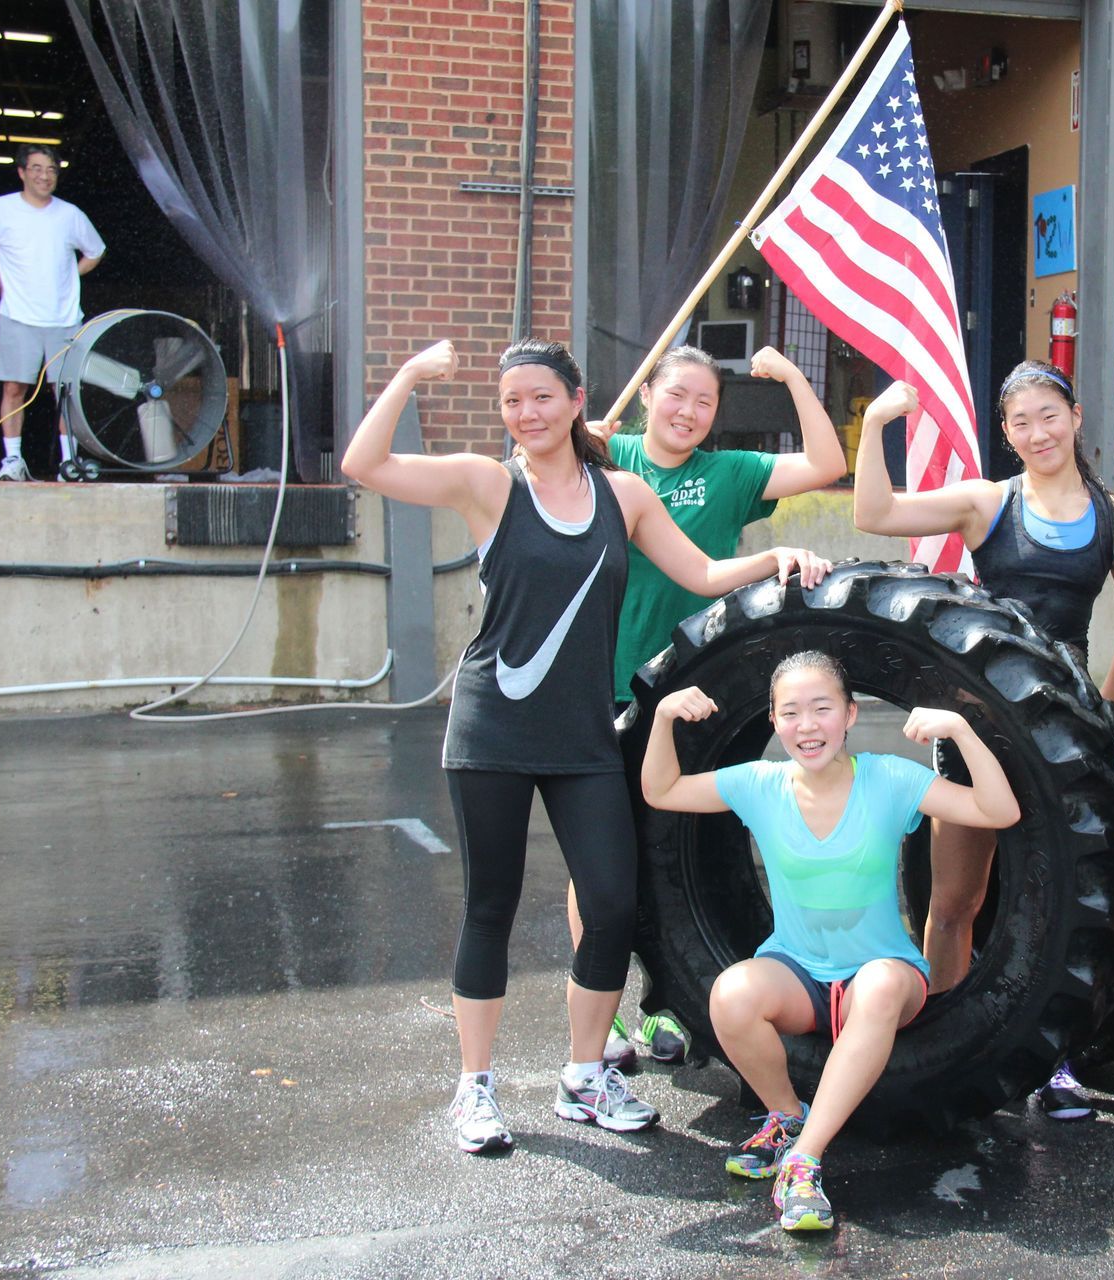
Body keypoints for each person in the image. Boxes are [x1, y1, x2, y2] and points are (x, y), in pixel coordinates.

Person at [339, 337, 830, 1156]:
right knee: (488, 908)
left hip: (583, 735)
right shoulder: (487, 483)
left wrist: (776, 558)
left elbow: (705, 572)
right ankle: (476, 1088)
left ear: (576, 402)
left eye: (541, 397)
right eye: (511, 402)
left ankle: (582, 1075)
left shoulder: (625, 493)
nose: (525, 414)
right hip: (492, 727)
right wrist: (409, 375)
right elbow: (364, 462)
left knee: (610, 905)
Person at [850, 361, 1114, 1120]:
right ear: (1007, 433)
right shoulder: (988, 503)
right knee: (957, 899)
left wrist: (1102, 707)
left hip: (1068, 753)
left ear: (1076, 417)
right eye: (1020, 422)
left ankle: (1054, 1063)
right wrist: (879, 424)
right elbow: (875, 513)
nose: (1037, 433)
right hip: (980, 733)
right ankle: (946, 1035)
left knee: (1063, 908)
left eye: (1049, 416)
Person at [639, 650, 1019, 1232]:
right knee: (731, 995)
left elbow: (999, 809)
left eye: (822, 709)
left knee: (879, 984)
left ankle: (804, 1160)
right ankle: (788, 1119)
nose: (807, 726)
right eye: (791, 712)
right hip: (800, 973)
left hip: (884, 973)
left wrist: (961, 729)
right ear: (772, 720)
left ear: (850, 714)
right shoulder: (759, 785)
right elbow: (662, 789)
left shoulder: (890, 778)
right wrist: (663, 717)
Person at [580, 343, 848, 1071]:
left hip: (701, 689)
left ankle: (667, 1003)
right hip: (605, 679)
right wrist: (583, 440)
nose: (689, 412)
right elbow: (533, 461)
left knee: (677, 855)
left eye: (705, 402)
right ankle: (598, 1017)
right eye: (677, 396)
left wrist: (793, 377)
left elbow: (826, 464)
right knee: (599, 860)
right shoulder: (610, 455)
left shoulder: (729, 473)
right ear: (648, 397)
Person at [0, 144, 105, 481]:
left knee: (65, 393)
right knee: (14, 389)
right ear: (22, 172)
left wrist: (70, 277)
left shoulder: (70, 214)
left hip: (64, 319)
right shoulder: (1, 210)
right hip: (17, 315)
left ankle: (71, 464)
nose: (44, 176)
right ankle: (12, 461)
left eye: (51, 169)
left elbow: (96, 251)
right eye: (37, 168)